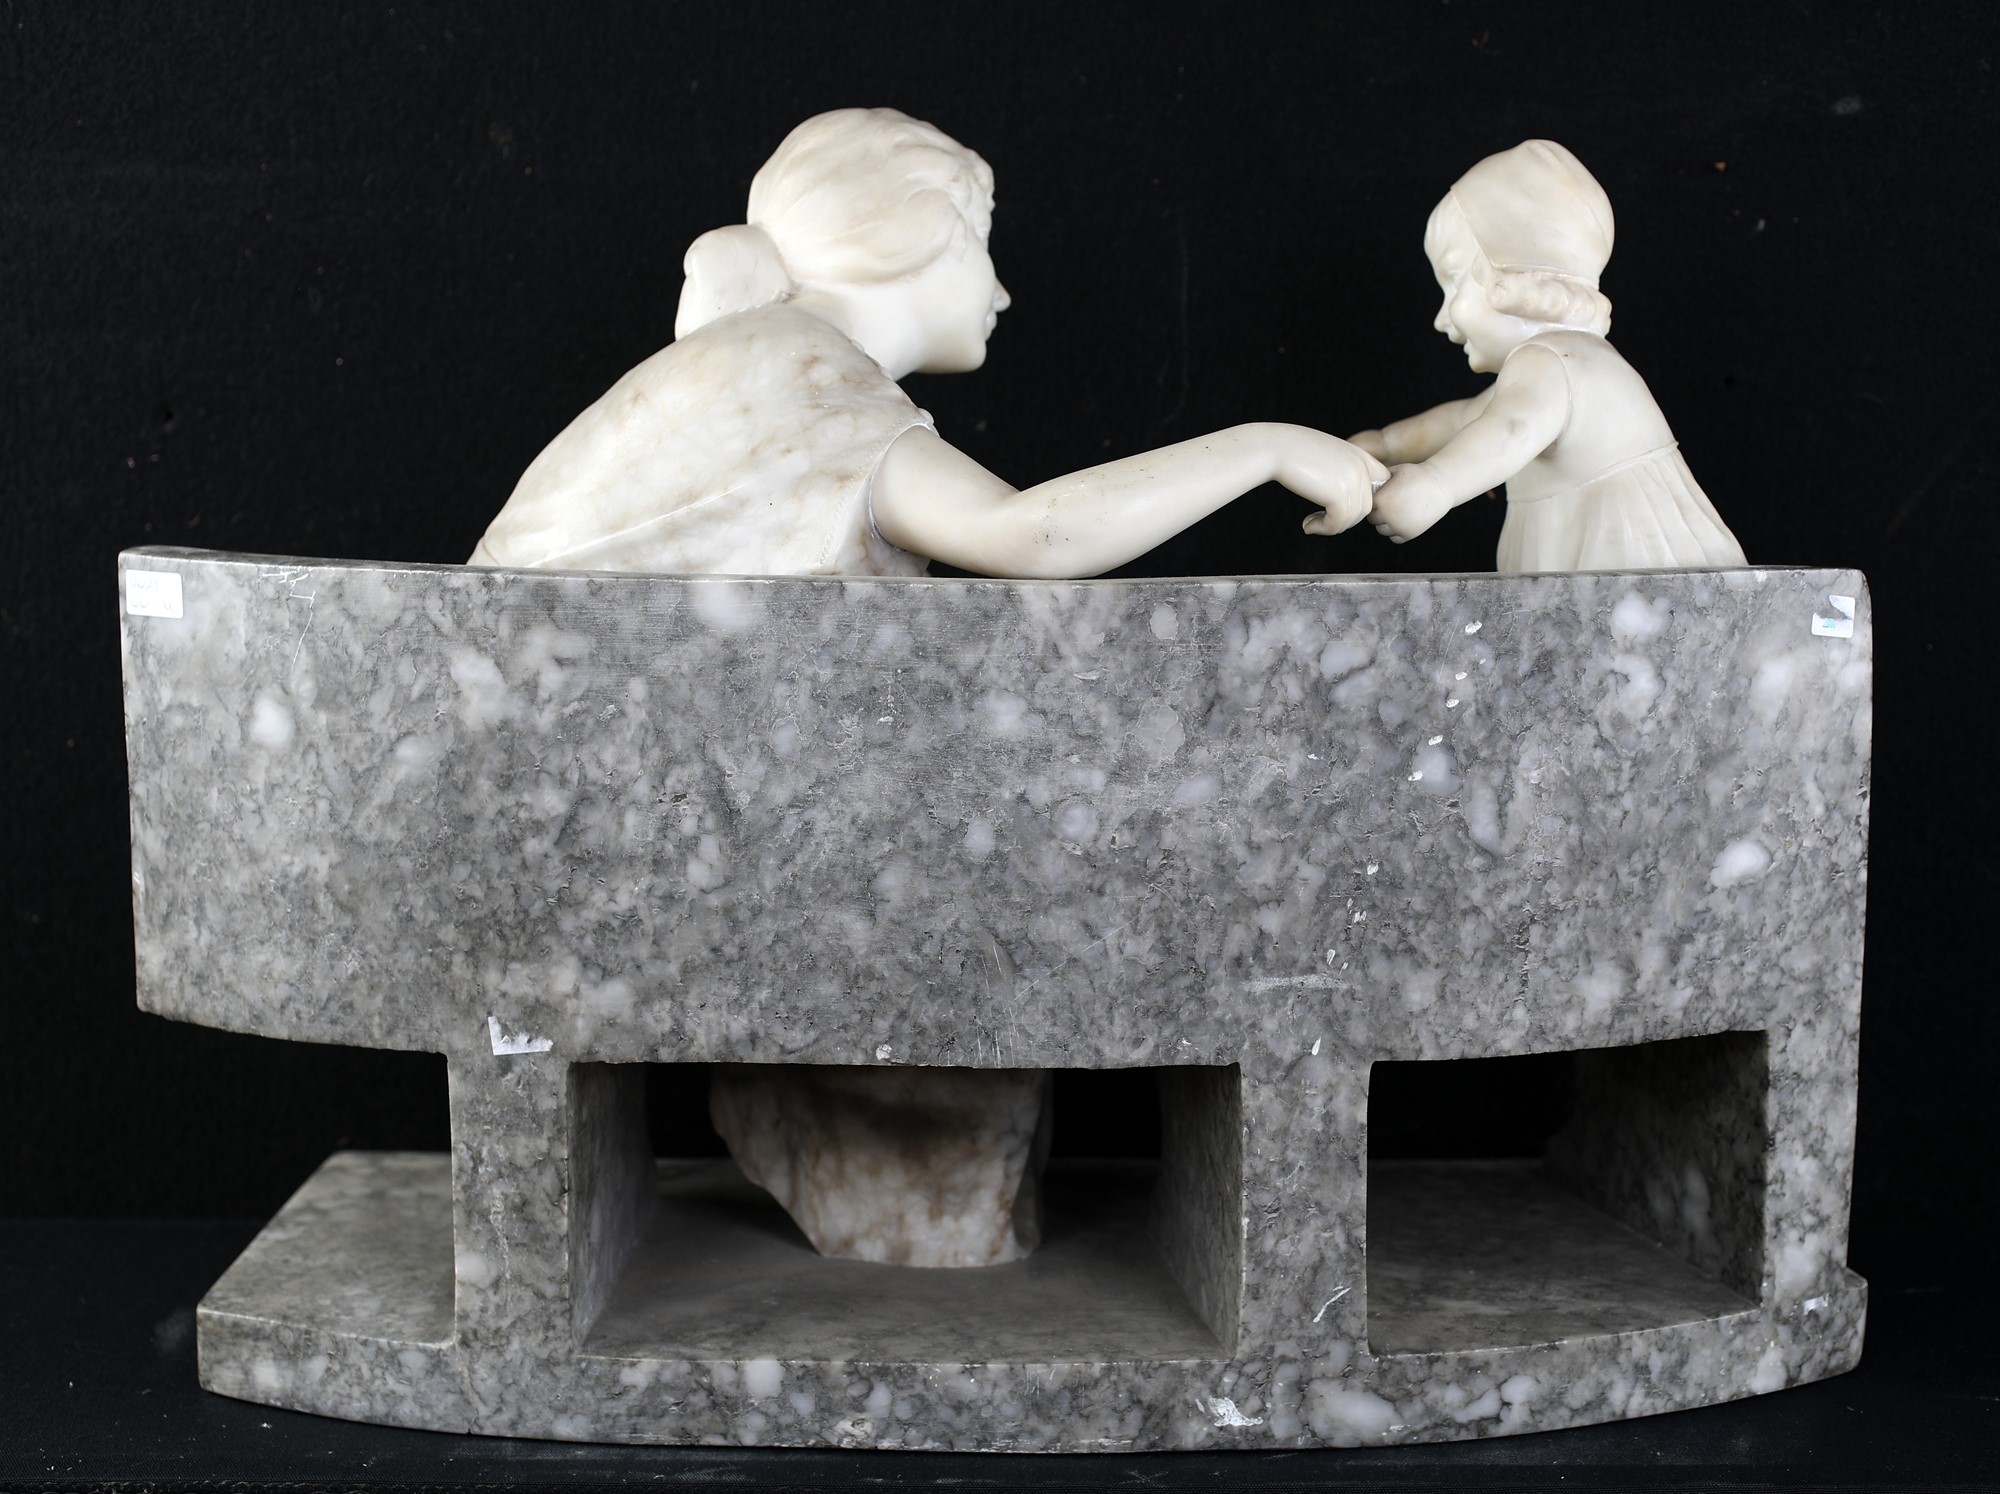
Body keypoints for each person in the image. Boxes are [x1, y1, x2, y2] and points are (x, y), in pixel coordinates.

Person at [468, 107, 1385, 1268]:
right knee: (1022, 912)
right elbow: (1029, 535)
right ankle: (904, 1180)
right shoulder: (800, 375)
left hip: (574, 797)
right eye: (980, 247)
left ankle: (865, 1152)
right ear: (908, 239)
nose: (999, 290)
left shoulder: (763, 363)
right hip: (585, 830)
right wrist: (1262, 447)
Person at [1336, 140, 1746, 573]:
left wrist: (1438, 485)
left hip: (1628, 564)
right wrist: (1387, 444)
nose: (1440, 319)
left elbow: (1511, 429)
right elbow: (1464, 419)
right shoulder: (1559, 363)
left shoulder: (1552, 360)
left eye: (1454, 281)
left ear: (1516, 273)